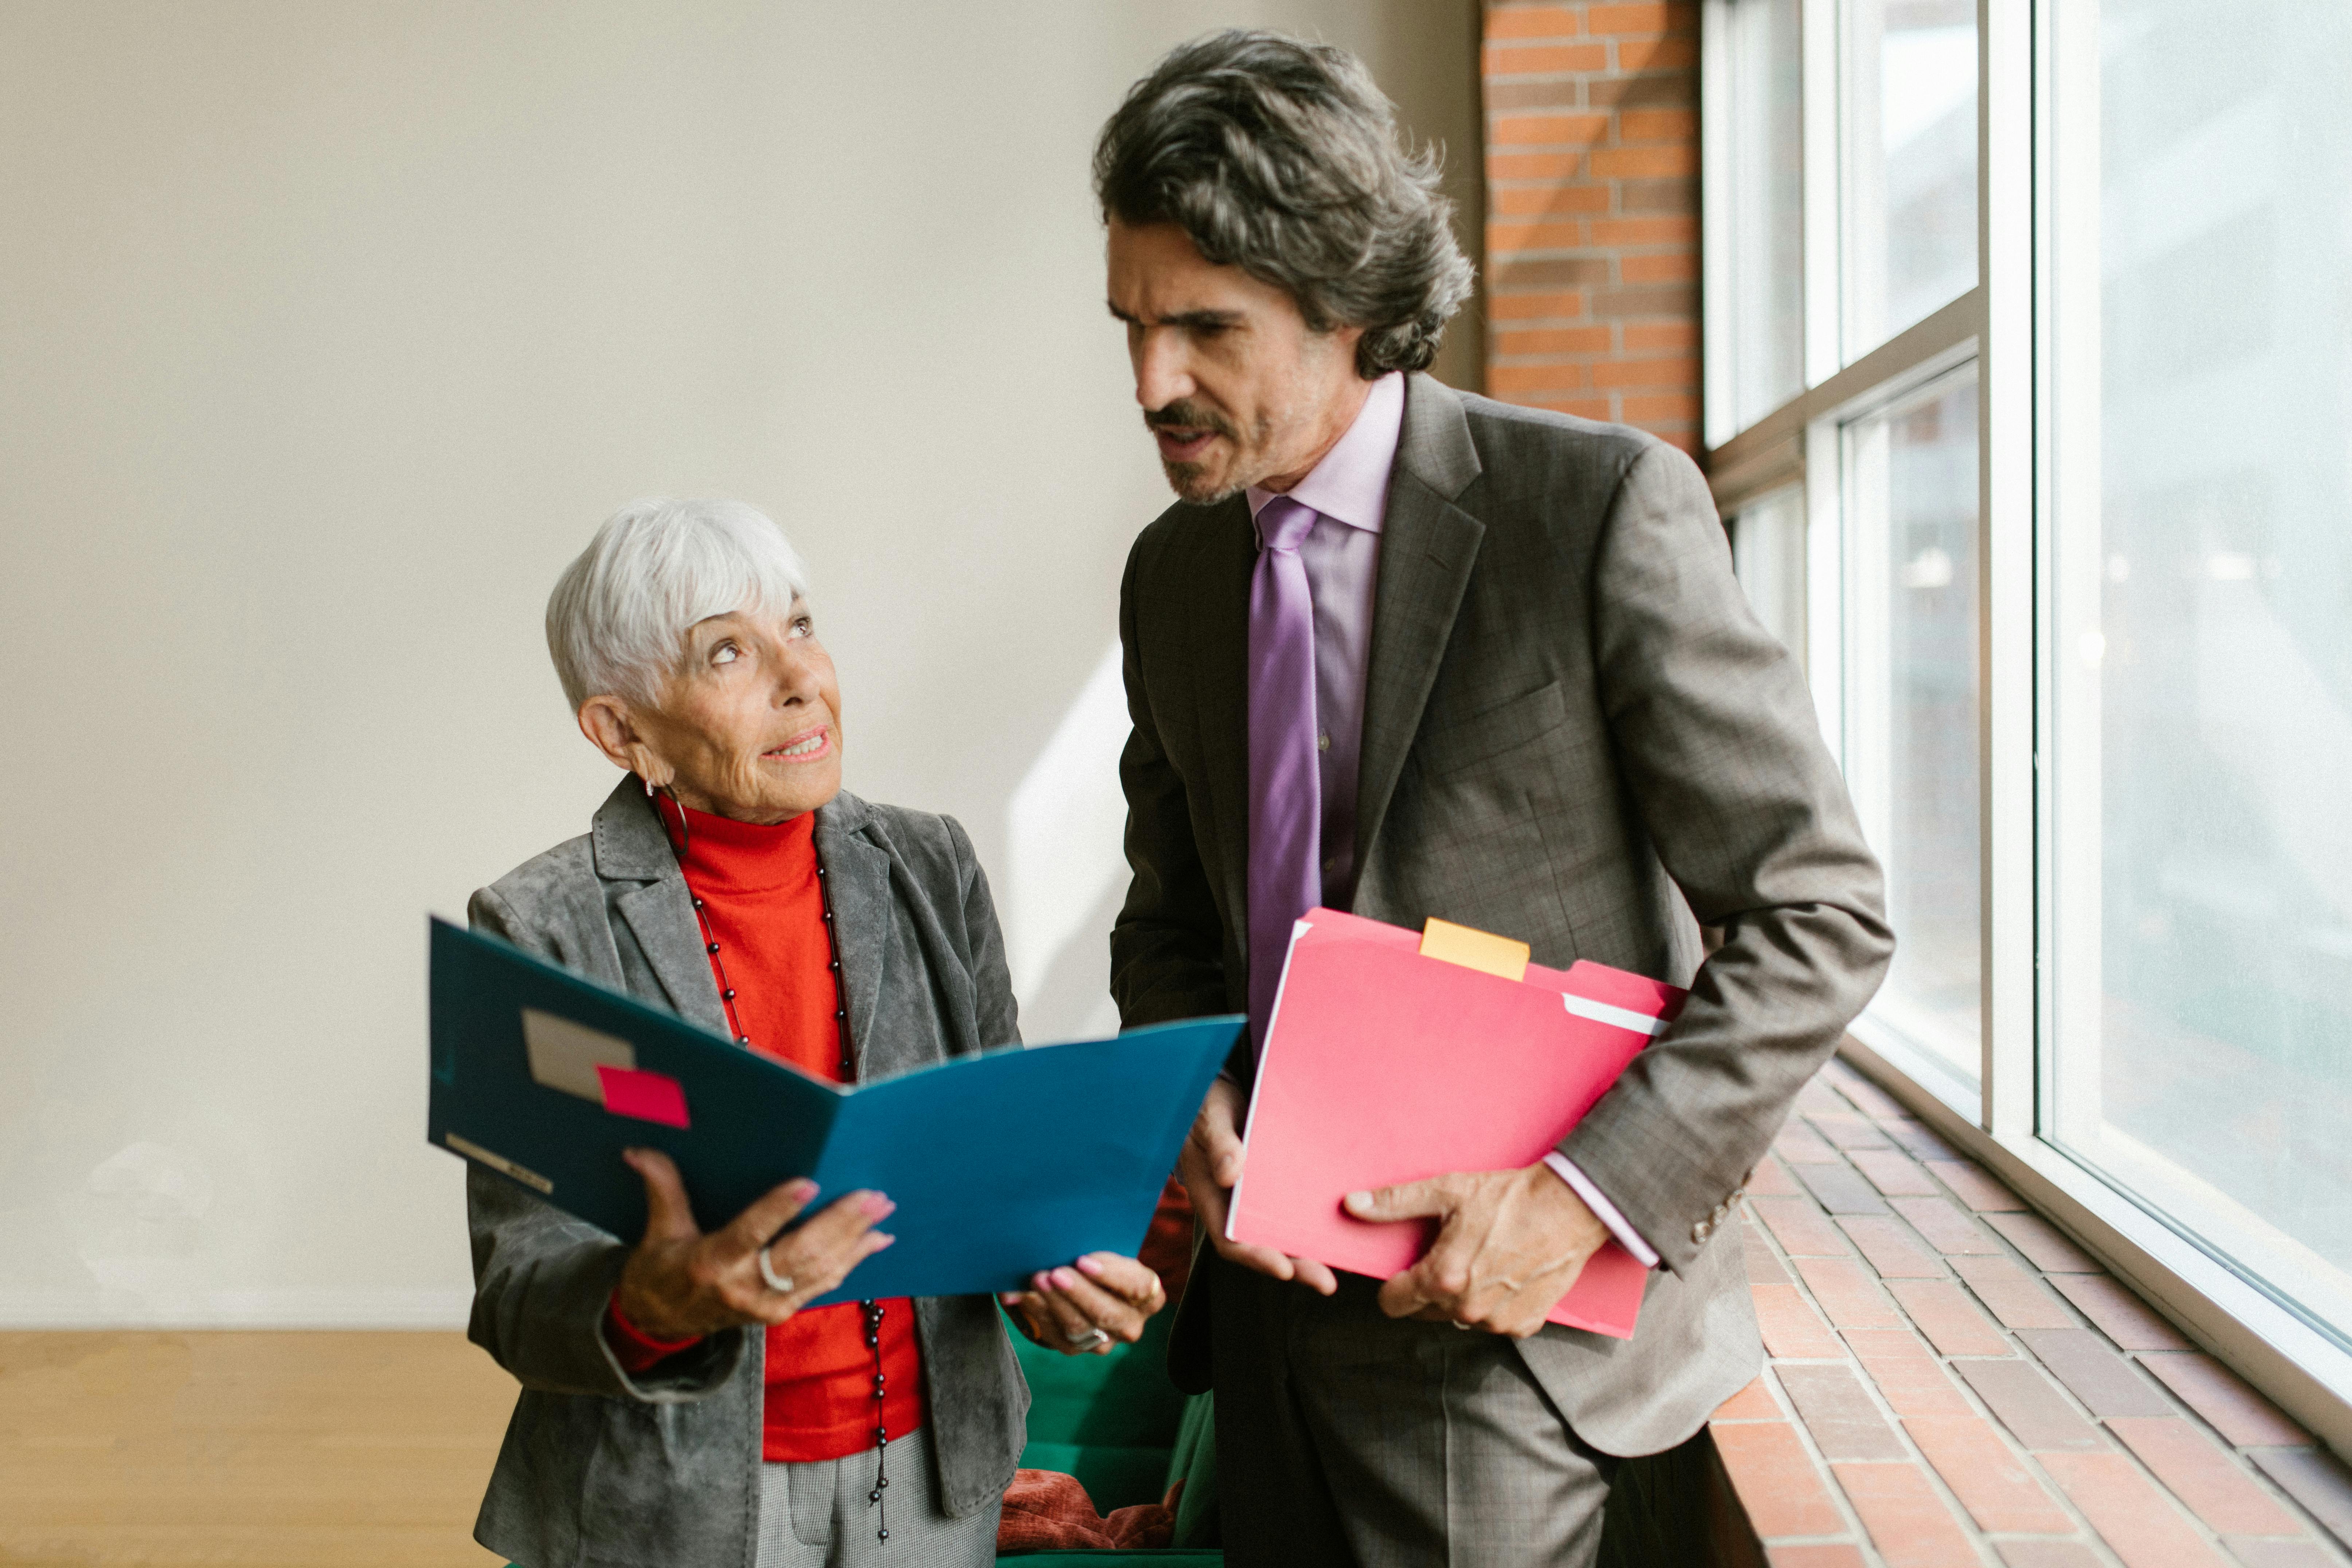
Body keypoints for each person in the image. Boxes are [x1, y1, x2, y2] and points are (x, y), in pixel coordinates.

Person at [1097, 32, 1895, 1567]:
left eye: (1205, 326)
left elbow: (1821, 914)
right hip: (1264, 1327)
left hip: (1507, 1341)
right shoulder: (1171, 574)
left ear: (1348, 306)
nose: (1151, 382)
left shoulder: (1591, 511)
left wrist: (1582, 1199)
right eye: (1129, 324)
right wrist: (1183, 1083)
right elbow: (1169, 915)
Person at [462, 497, 1167, 1568]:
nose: (801, 679)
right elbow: (521, 1292)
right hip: (672, 1499)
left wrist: (1058, 1278)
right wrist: (654, 1302)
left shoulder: (931, 866)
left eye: (799, 625)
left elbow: (1003, 1170)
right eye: (728, 652)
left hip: (930, 1483)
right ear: (623, 731)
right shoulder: (539, 928)